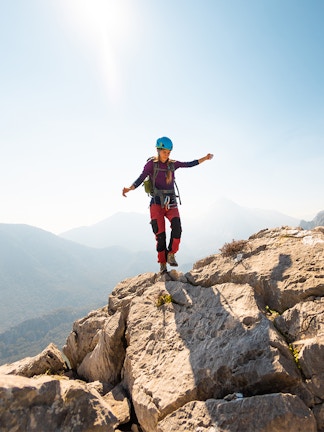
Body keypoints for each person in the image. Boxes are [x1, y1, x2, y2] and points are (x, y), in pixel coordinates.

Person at [122, 136, 213, 273]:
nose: (167, 154)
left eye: (169, 152)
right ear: (158, 150)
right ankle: (162, 264)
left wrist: (204, 158)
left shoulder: (173, 164)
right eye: (165, 151)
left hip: (171, 202)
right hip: (156, 203)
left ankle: (171, 254)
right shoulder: (151, 165)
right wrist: (130, 188)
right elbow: (141, 178)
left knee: (177, 228)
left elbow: (189, 164)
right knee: (160, 235)